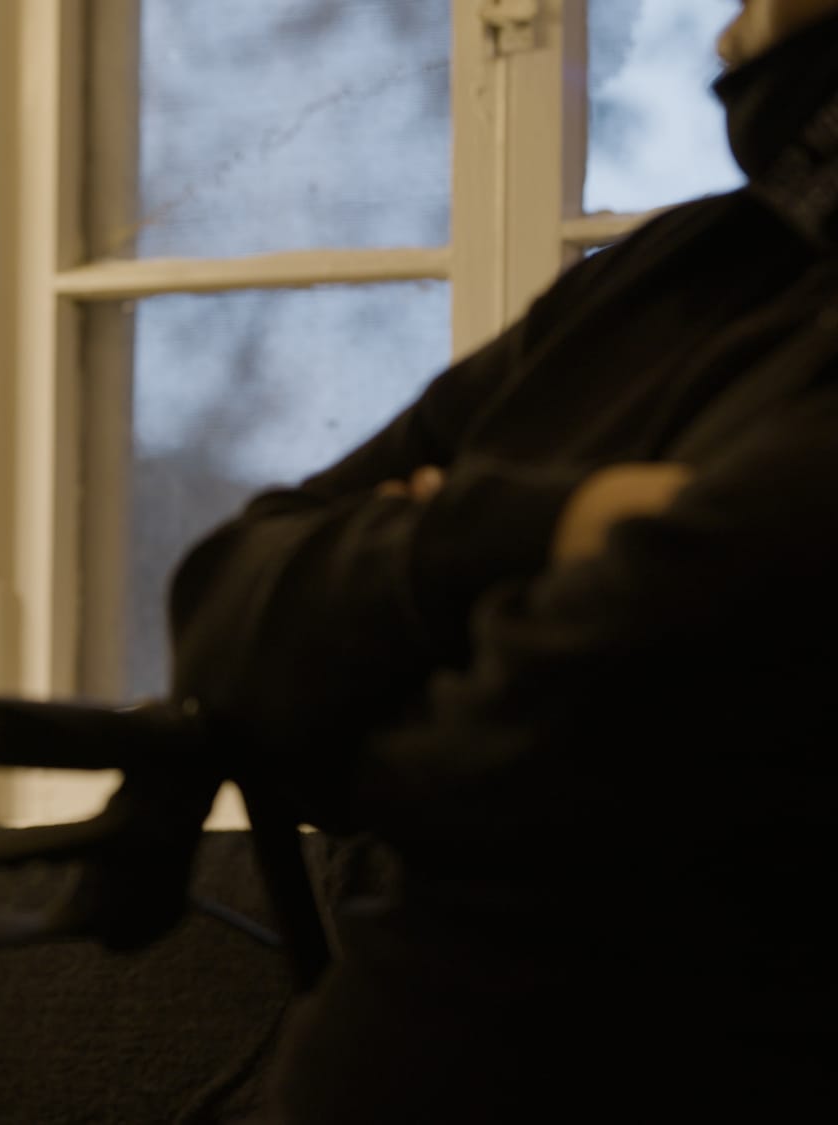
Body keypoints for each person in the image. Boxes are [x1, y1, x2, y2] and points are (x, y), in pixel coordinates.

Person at [166, 3, 838, 1121]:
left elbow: (555, 746)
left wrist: (358, 685)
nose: (725, 39)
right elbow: (222, 601)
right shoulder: (675, 272)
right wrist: (538, 530)